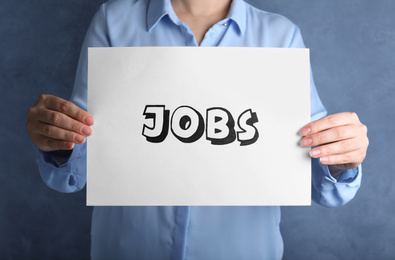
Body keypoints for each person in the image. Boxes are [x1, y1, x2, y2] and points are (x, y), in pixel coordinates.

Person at [26, 0, 369, 259]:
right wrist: (57, 140)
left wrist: (341, 156)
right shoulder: (112, 22)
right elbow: (75, 170)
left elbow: (320, 181)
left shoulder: (282, 36)